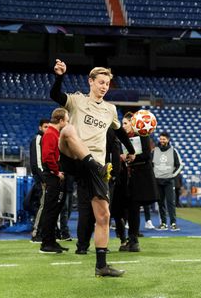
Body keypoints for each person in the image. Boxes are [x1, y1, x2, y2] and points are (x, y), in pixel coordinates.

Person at [50, 59, 136, 277]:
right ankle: (89, 161)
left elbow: (119, 132)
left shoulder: (110, 109)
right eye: (101, 82)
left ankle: (101, 265)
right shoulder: (77, 101)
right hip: (73, 157)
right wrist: (60, 76)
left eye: (107, 83)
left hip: (95, 167)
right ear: (91, 82)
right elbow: (55, 96)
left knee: (104, 215)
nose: (104, 86)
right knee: (68, 130)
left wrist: (130, 149)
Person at [119, 112, 159, 251]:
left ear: (132, 123)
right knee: (127, 209)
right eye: (122, 123)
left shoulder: (141, 135)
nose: (123, 126)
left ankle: (133, 240)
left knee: (134, 208)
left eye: (125, 123)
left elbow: (147, 155)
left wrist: (133, 157)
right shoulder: (122, 137)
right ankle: (128, 239)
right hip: (125, 177)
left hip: (138, 178)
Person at [39, 108, 69, 253]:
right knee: (50, 210)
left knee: (54, 210)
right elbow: (47, 157)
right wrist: (56, 172)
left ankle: (51, 241)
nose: (68, 123)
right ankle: (46, 243)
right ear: (61, 120)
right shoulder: (51, 134)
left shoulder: (54, 133)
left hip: (53, 175)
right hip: (52, 176)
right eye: (67, 120)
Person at [153, 132, 184, 231]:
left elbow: (180, 165)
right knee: (160, 203)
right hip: (158, 181)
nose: (162, 141)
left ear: (168, 140)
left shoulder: (173, 151)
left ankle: (173, 223)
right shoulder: (154, 150)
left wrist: (172, 175)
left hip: (169, 181)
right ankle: (163, 223)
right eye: (161, 139)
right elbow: (150, 164)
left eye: (164, 139)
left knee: (171, 203)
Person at [28, 118, 50, 243]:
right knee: (43, 205)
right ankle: (36, 233)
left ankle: (44, 232)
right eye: (45, 127)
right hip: (42, 179)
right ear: (40, 128)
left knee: (46, 205)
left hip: (45, 178)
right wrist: (44, 179)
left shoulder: (45, 139)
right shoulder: (38, 139)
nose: (47, 129)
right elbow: (37, 163)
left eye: (49, 127)